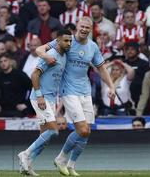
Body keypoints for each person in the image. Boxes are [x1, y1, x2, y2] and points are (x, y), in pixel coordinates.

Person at [35, 16, 115, 176]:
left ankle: (71, 165)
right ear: (77, 26)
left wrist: (111, 86)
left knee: (87, 131)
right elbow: (39, 49)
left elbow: (101, 68)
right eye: (82, 26)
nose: (84, 29)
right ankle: (61, 158)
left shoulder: (93, 47)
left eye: (88, 27)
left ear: (91, 29)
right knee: (81, 128)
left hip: (86, 92)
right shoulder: (66, 42)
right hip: (68, 91)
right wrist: (45, 56)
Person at [17, 29, 72, 176]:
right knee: (53, 131)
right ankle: (26, 154)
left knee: (44, 137)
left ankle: (26, 166)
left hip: (50, 99)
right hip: (40, 98)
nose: (68, 43)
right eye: (66, 40)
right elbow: (34, 74)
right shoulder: (51, 55)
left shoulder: (65, 55)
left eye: (70, 41)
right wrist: (40, 96)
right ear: (58, 41)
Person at [0, 53, 32, 117]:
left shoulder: (20, 75)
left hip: (19, 110)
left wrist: (26, 104)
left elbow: (32, 88)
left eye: (5, 61)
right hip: (4, 110)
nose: (3, 63)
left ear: (10, 62)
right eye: (1, 62)